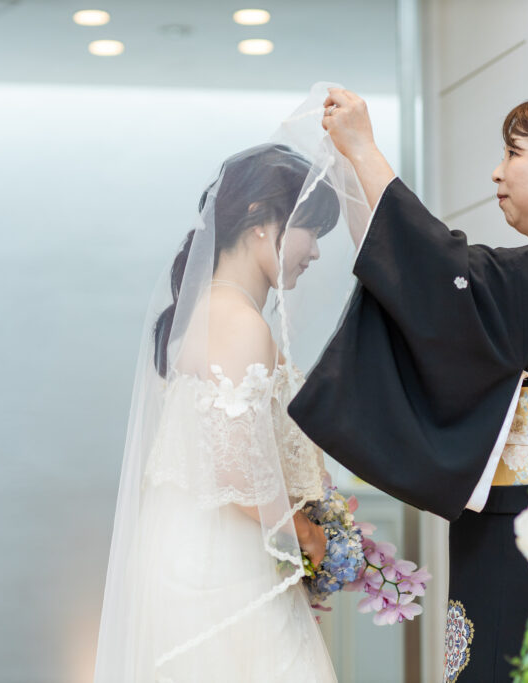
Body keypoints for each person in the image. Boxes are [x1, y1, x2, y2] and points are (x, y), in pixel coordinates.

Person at [288, 88, 528, 681]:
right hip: (523, 524)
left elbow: (440, 273)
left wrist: (365, 149)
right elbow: (415, 277)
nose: (497, 171)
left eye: (513, 153)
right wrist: (355, 165)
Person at [94, 87, 366, 681]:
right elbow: (237, 469)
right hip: (222, 565)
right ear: (261, 222)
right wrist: (307, 534)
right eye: (309, 231)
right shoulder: (238, 322)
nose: (315, 253)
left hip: (199, 550)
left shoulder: (211, 312)